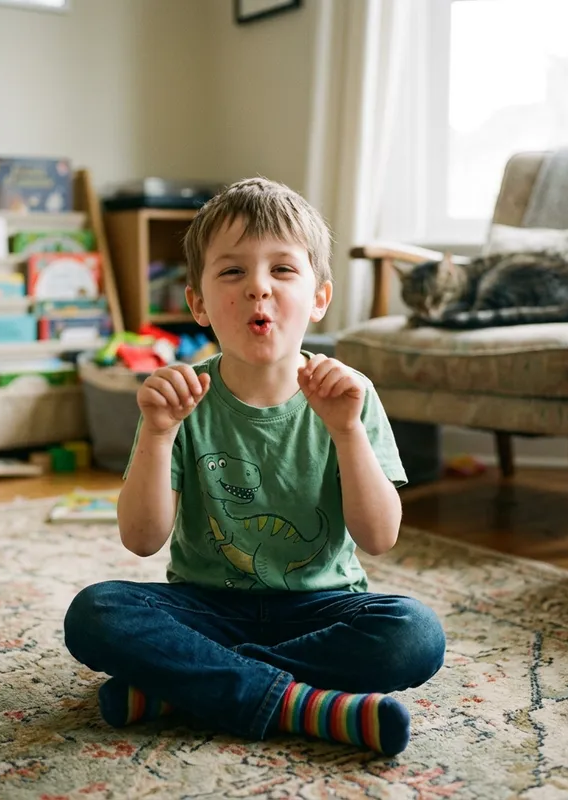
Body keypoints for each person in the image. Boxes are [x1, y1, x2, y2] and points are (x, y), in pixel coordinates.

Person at [64, 177, 446, 757]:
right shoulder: (179, 398)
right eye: (232, 272)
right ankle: (304, 704)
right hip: (206, 607)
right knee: (95, 613)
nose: (258, 289)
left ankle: (184, 688)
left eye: (283, 271)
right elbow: (142, 541)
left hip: (322, 607)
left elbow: (379, 537)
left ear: (319, 297)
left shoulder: (351, 395)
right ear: (198, 303)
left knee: (415, 633)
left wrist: (345, 431)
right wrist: (160, 434)